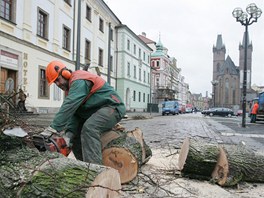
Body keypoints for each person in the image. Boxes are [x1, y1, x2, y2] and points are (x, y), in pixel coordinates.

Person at [43, 60, 126, 164]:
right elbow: (75, 113)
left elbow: (69, 105)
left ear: (65, 73)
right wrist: (69, 135)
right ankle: (83, 165)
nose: (58, 84)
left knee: (90, 128)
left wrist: (53, 128)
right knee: (76, 134)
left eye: (58, 80)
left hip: (112, 106)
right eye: (55, 83)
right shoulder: (72, 89)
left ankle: (95, 168)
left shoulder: (78, 79)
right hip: (96, 110)